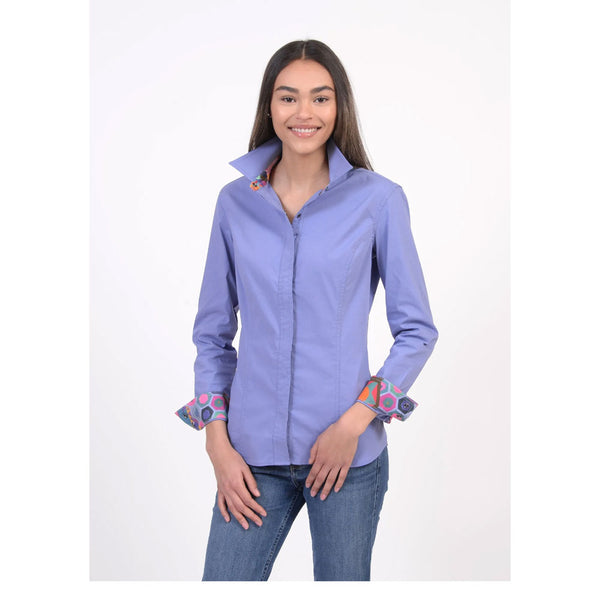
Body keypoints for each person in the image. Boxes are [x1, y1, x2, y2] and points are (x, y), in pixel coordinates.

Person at [174, 39, 439, 581]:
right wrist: (217, 443)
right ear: (269, 107)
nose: (304, 112)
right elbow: (212, 334)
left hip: (346, 458)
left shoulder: (378, 200)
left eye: (320, 98)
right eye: (288, 97)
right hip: (250, 457)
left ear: (338, 107)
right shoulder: (234, 202)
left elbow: (417, 331)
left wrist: (353, 425)